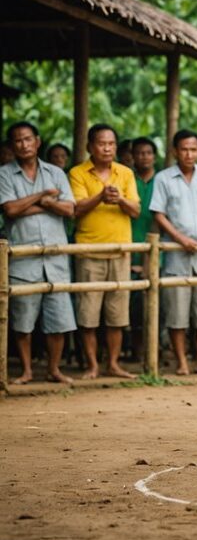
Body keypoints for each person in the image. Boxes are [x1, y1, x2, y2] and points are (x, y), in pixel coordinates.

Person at [0, 122, 76, 384]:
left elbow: (69, 210)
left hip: (55, 257)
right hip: (23, 259)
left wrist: (30, 204)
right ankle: (26, 370)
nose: (24, 144)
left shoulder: (56, 172)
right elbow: (9, 210)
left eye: (28, 139)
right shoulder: (5, 175)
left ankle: (54, 369)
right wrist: (44, 197)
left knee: (59, 318)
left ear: (38, 141)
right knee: (23, 321)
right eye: (18, 141)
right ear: (12, 145)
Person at [68, 123, 140, 379]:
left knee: (117, 315)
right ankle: (92, 365)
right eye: (101, 143)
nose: (107, 148)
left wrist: (119, 199)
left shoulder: (125, 173)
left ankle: (113, 364)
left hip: (121, 250)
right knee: (88, 315)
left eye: (111, 144)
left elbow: (136, 210)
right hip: (89, 251)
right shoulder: (77, 173)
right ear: (90, 146)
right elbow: (75, 208)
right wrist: (100, 196)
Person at [150, 129, 197, 375]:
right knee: (177, 315)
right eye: (184, 149)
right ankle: (181, 361)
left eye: (193, 149)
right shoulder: (163, 179)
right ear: (174, 151)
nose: (189, 154)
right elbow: (158, 214)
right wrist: (179, 238)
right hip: (176, 256)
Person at [128, 136, 159, 363]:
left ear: (154, 156)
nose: (144, 157)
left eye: (148, 153)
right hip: (130, 245)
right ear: (132, 156)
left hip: (159, 250)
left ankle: (155, 352)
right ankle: (136, 352)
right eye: (139, 153)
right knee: (132, 307)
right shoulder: (127, 179)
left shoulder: (163, 180)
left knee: (158, 306)